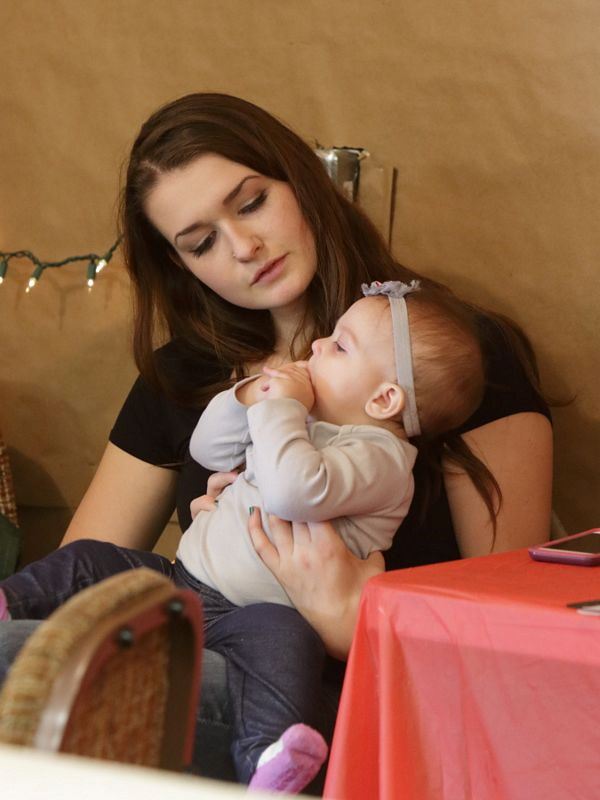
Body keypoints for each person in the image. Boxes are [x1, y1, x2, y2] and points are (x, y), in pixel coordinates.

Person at [0, 93, 553, 788]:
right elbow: (82, 586)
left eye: (252, 203)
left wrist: (353, 620)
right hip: (185, 661)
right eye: (200, 243)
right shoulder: (183, 379)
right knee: (31, 647)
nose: (243, 248)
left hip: (350, 707)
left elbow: (517, 639)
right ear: (182, 266)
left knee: (26, 666)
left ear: (301, 182)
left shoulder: (443, 363)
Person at [0, 280, 486, 792]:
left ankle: (268, 758)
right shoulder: (305, 422)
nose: (317, 346)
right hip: (179, 578)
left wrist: (283, 409)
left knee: (284, 645)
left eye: (340, 346)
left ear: (385, 398)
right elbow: (208, 450)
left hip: (252, 616)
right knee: (89, 559)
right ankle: (13, 601)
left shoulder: (381, 459)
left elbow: (290, 491)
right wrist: (248, 397)